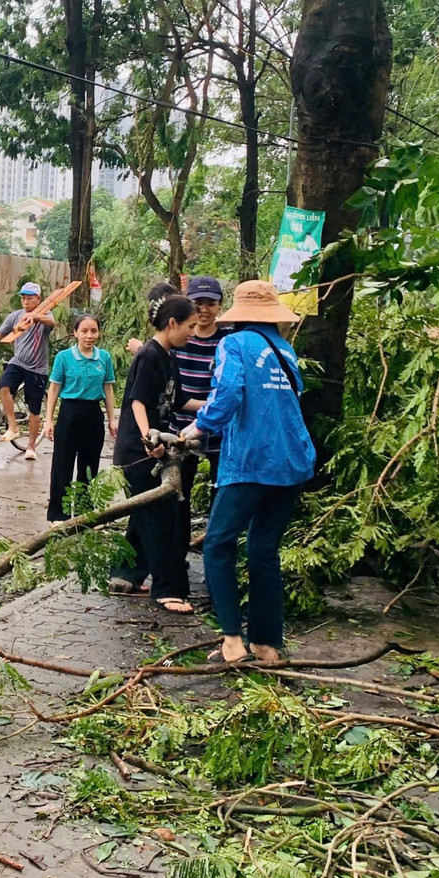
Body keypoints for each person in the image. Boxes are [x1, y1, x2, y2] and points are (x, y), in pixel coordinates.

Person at [180, 281, 316, 664]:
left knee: (218, 544)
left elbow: (228, 393)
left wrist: (199, 427)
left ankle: (232, 641)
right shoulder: (285, 350)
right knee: (263, 549)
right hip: (293, 461)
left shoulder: (233, 344)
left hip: (253, 461)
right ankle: (268, 644)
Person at [112, 295, 202, 614]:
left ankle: (124, 575)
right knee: (160, 520)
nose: (193, 332)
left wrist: (212, 407)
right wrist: (149, 437)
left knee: (145, 516)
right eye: (190, 326)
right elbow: (138, 401)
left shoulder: (168, 355)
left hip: (157, 449)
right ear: (172, 324)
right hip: (140, 452)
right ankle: (165, 590)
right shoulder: (149, 355)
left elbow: (177, 400)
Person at [173, 276, 232, 536]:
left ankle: (215, 549)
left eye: (211, 303)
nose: (204, 310)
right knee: (179, 493)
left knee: (221, 493)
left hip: (220, 432)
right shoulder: (179, 338)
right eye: (198, 303)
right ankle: (178, 551)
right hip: (181, 429)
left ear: (220, 305)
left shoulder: (229, 341)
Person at [44, 313, 117, 521]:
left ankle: (85, 515)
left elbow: (108, 388)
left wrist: (111, 419)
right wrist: (48, 420)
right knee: (62, 466)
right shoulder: (64, 358)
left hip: (93, 415)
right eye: (84, 331)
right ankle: (58, 516)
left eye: (93, 331)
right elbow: (55, 388)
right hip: (69, 414)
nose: (89, 335)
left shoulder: (104, 357)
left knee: (89, 467)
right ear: (75, 332)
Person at [0, 281, 56, 460]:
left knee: (34, 410)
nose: (26, 302)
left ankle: (31, 446)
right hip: (18, 362)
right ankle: (13, 427)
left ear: (38, 299)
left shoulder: (45, 314)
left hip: (37, 368)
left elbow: (52, 322)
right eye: (23, 298)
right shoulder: (15, 316)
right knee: (4, 387)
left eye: (30, 298)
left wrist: (36, 317)